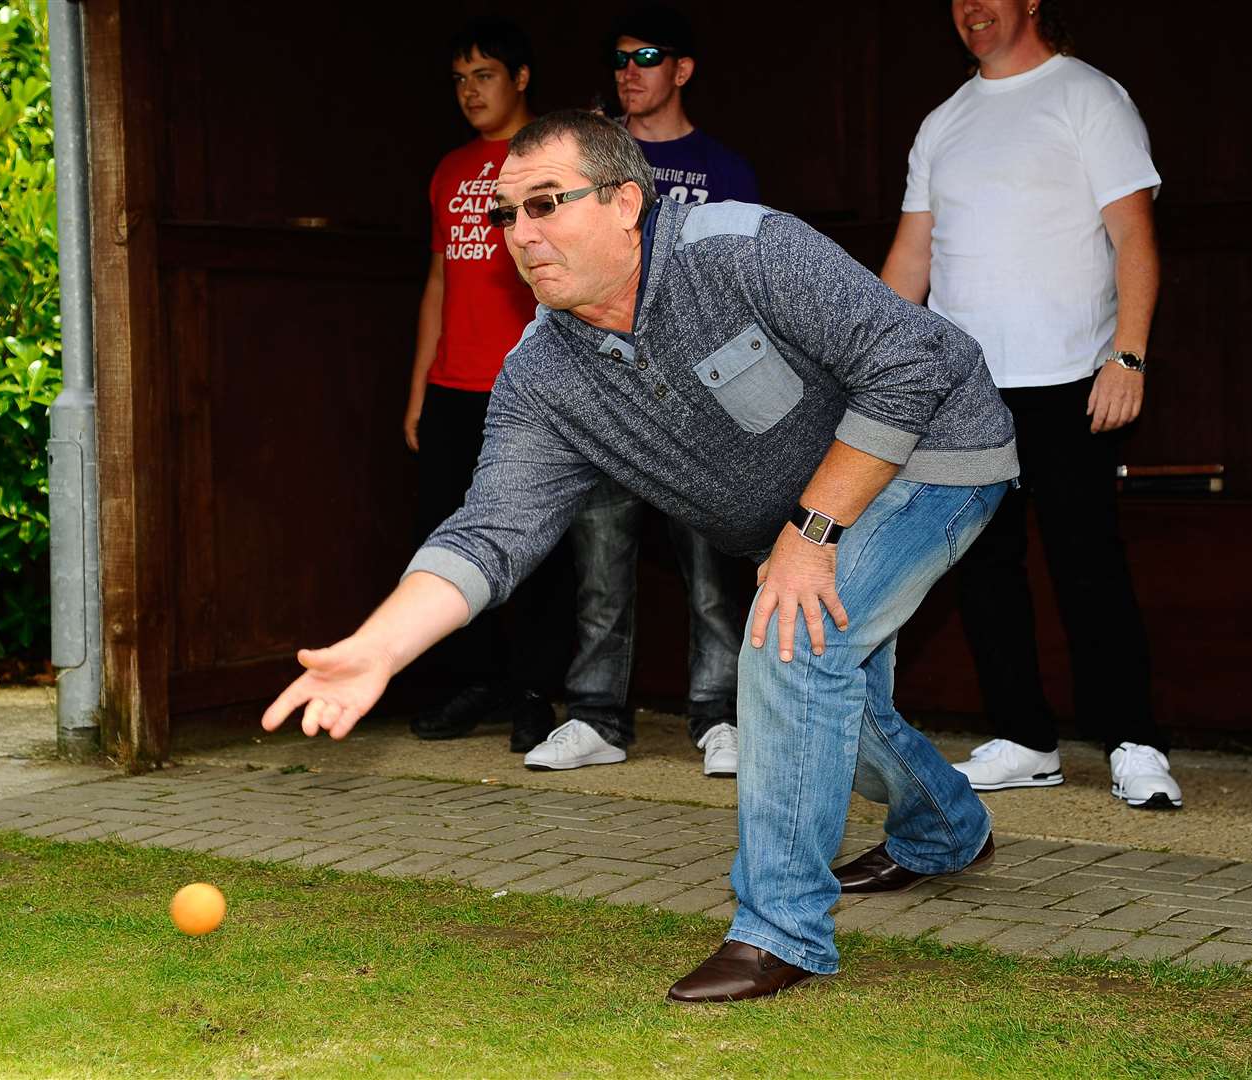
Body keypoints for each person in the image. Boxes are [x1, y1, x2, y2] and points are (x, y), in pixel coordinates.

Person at [263, 110, 1019, 1003]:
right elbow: (490, 531)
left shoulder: (745, 248)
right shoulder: (541, 376)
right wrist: (379, 649)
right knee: (822, 689)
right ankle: (942, 830)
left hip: (936, 455)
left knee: (791, 650)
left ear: (626, 202)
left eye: (545, 204)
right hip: (807, 516)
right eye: (506, 216)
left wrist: (809, 535)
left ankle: (779, 931)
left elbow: (912, 362)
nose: (520, 235)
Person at [880, 0, 1181, 810]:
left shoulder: (1088, 96)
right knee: (982, 568)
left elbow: (1135, 238)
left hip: (1068, 382)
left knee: (1089, 565)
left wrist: (1127, 354)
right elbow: (911, 256)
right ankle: (1024, 738)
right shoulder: (942, 121)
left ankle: (1133, 740)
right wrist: (869, 364)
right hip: (962, 389)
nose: (969, 9)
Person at [525, 5, 760, 777]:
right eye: (619, 58)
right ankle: (595, 718)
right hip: (602, 400)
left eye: (647, 56)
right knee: (598, 565)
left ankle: (720, 717)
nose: (629, 70)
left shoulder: (724, 169)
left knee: (710, 580)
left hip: (695, 409)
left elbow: (750, 287)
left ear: (682, 70)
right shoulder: (582, 164)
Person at [402, 18, 563, 753]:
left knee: (533, 546)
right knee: (449, 537)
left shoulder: (547, 160)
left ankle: (535, 693)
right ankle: (473, 682)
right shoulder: (448, 169)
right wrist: (418, 390)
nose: (470, 91)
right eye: (460, 79)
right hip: (452, 388)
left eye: (485, 75)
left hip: (527, 390)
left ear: (521, 78)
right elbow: (440, 279)